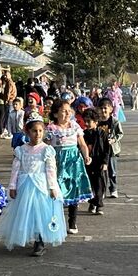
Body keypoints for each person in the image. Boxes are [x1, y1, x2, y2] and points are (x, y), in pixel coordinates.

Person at [0, 114, 65, 256]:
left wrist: (52, 187)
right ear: (27, 132)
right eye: (34, 131)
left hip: (41, 186)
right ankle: (29, 236)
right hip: (25, 185)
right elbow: (16, 169)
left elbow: (51, 169)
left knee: (41, 213)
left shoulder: (46, 149)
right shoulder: (21, 150)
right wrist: (12, 186)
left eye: (40, 131)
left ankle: (39, 242)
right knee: (26, 213)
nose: (38, 134)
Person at [45, 98, 91, 235]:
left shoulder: (75, 126)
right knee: (56, 190)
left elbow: (82, 144)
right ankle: (56, 221)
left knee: (74, 189)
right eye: (63, 111)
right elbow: (46, 147)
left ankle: (72, 222)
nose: (67, 114)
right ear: (55, 114)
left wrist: (86, 156)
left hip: (74, 162)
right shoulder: (51, 129)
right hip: (57, 162)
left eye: (69, 111)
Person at [80, 107, 113, 216]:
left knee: (99, 184)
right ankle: (92, 203)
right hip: (88, 163)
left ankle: (99, 205)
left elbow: (106, 150)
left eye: (89, 121)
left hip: (99, 163)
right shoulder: (83, 134)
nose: (87, 123)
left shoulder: (102, 134)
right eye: (85, 121)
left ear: (96, 121)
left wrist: (105, 162)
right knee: (90, 185)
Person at [95, 98, 122, 198]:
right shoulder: (96, 122)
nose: (103, 111)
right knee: (101, 171)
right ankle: (101, 190)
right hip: (100, 151)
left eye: (105, 108)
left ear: (111, 109)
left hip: (111, 151)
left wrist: (114, 140)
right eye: (101, 108)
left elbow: (120, 133)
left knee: (112, 171)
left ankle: (113, 189)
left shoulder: (114, 122)